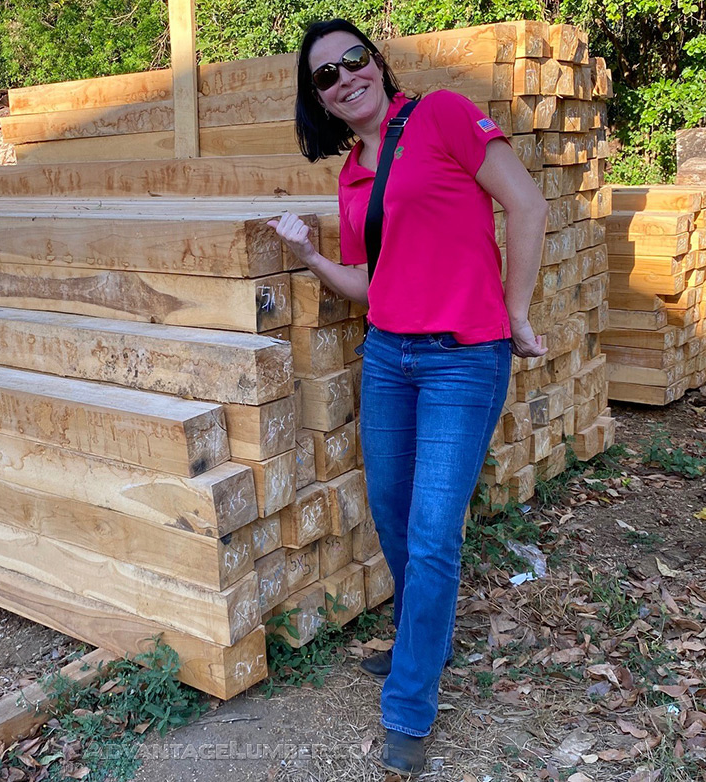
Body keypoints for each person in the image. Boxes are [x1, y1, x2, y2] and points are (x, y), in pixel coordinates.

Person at [267, 18, 549, 776]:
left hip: (464, 358)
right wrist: (308, 256)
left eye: (353, 59)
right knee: (393, 514)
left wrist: (517, 312)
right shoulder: (353, 175)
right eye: (326, 75)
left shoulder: (446, 116)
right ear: (319, 101)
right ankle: (427, 635)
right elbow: (368, 285)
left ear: (379, 63)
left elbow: (526, 206)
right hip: (388, 356)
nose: (344, 77)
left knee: (432, 533)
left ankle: (410, 701)